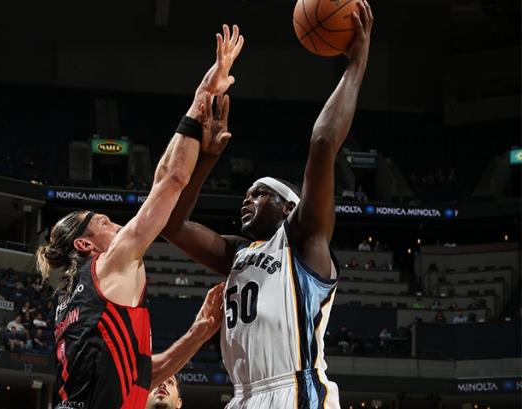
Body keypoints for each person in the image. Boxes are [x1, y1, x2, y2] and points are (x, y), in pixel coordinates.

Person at [161, 4, 373, 408]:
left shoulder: (304, 240)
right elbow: (172, 223)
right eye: (247, 193)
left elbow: (324, 143)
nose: (248, 198)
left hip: (295, 391)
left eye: (261, 194)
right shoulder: (239, 253)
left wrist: (356, 64)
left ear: (288, 207)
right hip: (242, 397)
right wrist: (206, 158)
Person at [35, 25, 243, 409]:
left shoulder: (70, 301)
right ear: (85, 244)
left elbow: (142, 375)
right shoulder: (109, 265)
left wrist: (199, 332)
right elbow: (170, 181)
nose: (118, 225)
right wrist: (203, 96)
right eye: (103, 223)